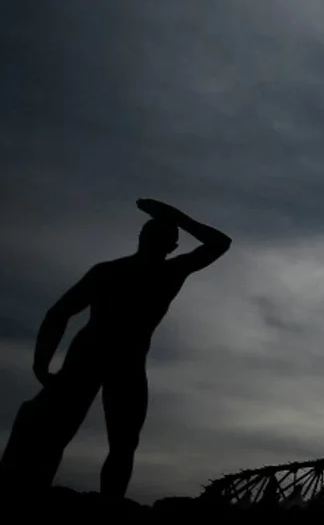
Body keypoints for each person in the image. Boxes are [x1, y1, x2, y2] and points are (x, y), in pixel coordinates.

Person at [0, 199, 231, 499]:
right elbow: (60, 313)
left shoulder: (156, 273)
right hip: (96, 356)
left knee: (117, 443)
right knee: (64, 434)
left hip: (121, 360)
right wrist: (41, 363)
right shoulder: (145, 272)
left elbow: (59, 313)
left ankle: (103, 506)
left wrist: (41, 362)